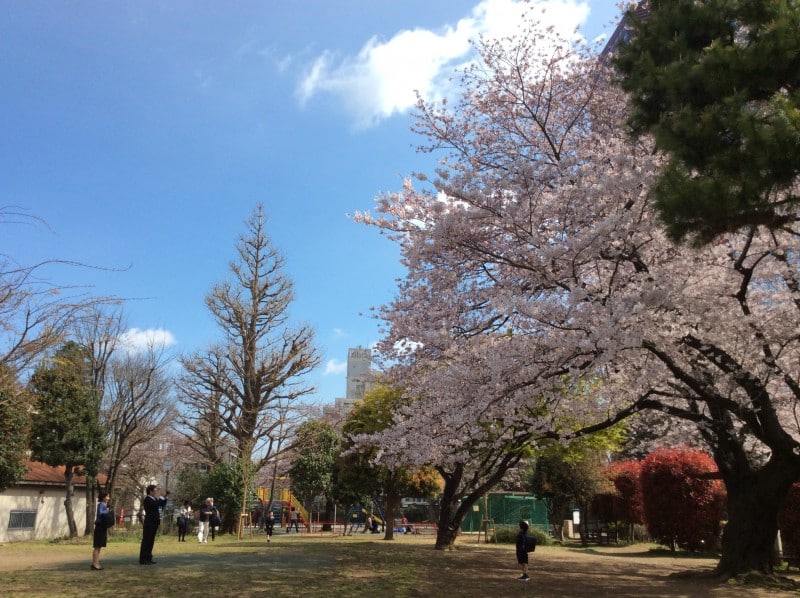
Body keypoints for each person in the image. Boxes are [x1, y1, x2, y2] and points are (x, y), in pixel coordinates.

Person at [139, 484, 168, 565]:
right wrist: (161, 497)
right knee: (146, 541)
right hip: (149, 523)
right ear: (150, 491)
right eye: (155, 490)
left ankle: (149, 557)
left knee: (151, 541)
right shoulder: (147, 499)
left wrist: (165, 497)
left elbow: (161, 505)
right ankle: (143, 559)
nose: (156, 492)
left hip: (154, 522)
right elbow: (155, 505)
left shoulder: (154, 499)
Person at [91, 490, 111, 570]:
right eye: (107, 496)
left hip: (102, 527)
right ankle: (95, 564)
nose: (108, 498)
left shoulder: (104, 504)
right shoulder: (101, 504)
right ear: (104, 497)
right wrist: (108, 510)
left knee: (99, 546)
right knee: (97, 546)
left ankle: (96, 563)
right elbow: (101, 513)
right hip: (99, 526)